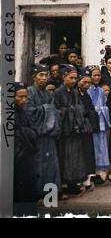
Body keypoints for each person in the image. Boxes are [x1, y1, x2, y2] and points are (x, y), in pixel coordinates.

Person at [25, 64, 62, 200]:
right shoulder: (29, 92)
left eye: (46, 75)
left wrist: (48, 109)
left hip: (49, 135)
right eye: (41, 75)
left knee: (51, 165)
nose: (44, 78)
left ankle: (50, 195)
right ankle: (37, 195)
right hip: (37, 136)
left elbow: (55, 110)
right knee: (37, 165)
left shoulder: (48, 93)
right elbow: (29, 112)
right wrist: (47, 109)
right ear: (34, 77)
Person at [53, 64, 89, 197]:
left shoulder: (74, 92)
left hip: (75, 128)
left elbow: (80, 107)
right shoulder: (58, 92)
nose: (74, 81)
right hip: (65, 130)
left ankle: (73, 183)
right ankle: (64, 184)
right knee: (64, 157)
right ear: (64, 77)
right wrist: (70, 110)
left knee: (75, 157)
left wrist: (75, 110)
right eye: (71, 78)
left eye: (75, 78)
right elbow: (56, 111)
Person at [13, 82, 38, 215]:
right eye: (20, 97)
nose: (23, 100)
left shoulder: (23, 112)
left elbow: (31, 130)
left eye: (25, 97)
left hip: (26, 156)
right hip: (17, 157)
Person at [87, 65, 111, 184]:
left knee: (100, 148)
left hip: (100, 122)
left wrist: (102, 110)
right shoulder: (87, 90)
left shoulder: (101, 90)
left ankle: (98, 174)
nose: (96, 77)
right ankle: (90, 174)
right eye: (94, 75)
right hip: (91, 123)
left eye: (98, 75)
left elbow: (105, 105)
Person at [77, 68, 100, 191]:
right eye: (84, 83)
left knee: (88, 154)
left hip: (87, 128)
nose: (86, 85)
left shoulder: (86, 94)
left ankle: (87, 180)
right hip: (79, 129)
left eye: (89, 83)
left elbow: (91, 109)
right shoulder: (75, 94)